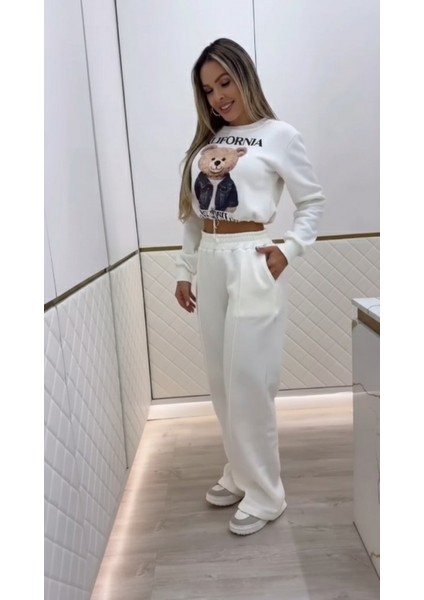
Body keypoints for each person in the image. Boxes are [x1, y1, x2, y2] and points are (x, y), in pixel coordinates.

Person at [174, 38, 325, 536]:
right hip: (212, 259)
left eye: (225, 82)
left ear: (245, 76)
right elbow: (193, 215)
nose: (218, 96)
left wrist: (290, 249)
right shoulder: (208, 142)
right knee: (221, 380)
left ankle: (266, 494)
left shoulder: (279, 135)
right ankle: (240, 473)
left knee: (250, 382)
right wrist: (185, 269)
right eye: (208, 89)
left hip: (252, 259)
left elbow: (312, 201)